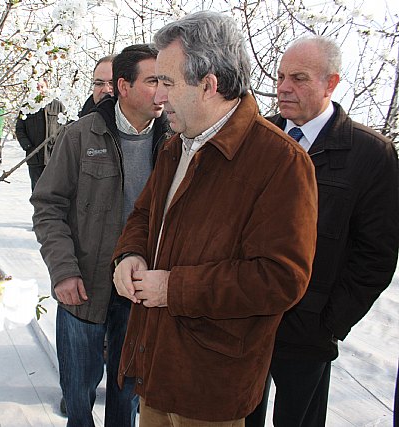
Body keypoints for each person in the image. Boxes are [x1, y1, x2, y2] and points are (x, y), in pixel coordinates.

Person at [111, 12, 319, 426]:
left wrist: (175, 288)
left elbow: (281, 278)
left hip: (210, 386)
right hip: (155, 369)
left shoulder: (280, 162)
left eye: (168, 83)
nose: (159, 97)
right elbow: (144, 214)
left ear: (209, 84)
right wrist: (129, 255)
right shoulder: (177, 145)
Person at [245, 35, 399, 427]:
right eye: (281, 76)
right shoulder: (255, 139)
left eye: (298, 78)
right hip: (248, 321)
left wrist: (329, 322)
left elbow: (375, 255)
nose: (283, 87)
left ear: (331, 83)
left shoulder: (370, 154)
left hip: (310, 332)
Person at [31, 44, 170, 427]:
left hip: (142, 293)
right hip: (84, 286)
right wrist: (63, 271)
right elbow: (48, 205)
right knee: (77, 394)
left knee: (127, 399)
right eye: (153, 81)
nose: (163, 92)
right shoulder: (80, 136)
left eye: (166, 81)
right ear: (123, 86)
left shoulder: (176, 141)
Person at [15, 78, 65, 191]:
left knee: (54, 190)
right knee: (37, 190)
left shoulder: (58, 106)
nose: (40, 90)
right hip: (34, 156)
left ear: (47, 87)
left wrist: (60, 148)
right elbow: (20, 129)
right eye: (37, 87)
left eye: (42, 87)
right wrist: (28, 146)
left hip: (53, 156)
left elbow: (65, 128)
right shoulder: (27, 107)